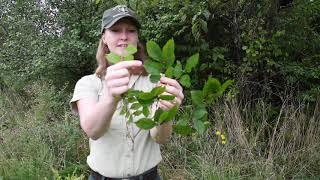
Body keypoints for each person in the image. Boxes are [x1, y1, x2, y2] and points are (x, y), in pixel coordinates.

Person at [70, 5, 184, 180]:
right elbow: (93, 130)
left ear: (137, 37)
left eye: (131, 30)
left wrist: (166, 112)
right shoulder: (89, 83)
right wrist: (111, 96)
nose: (124, 36)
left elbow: (160, 138)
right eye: (115, 30)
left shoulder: (156, 81)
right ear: (104, 38)